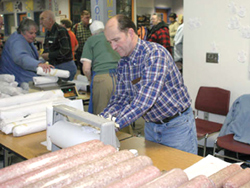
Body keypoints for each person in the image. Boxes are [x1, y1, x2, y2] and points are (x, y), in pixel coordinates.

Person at [101, 14, 197, 154]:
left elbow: (144, 101)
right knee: (157, 170)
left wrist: (114, 124)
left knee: (184, 170)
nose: (113, 47)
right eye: (109, 42)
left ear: (130, 33)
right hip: (152, 126)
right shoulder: (123, 63)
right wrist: (102, 119)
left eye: (116, 40)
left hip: (176, 126)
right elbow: (120, 98)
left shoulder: (155, 54)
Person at [80, 20, 120, 115]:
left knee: (102, 115)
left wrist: (90, 79)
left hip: (102, 79)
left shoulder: (91, 40)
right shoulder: (113, 38)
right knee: (120, 113)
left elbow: (86, 68)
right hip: (120, 77)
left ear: (92, 33)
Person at [0, 18, 53, 85]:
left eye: (35, 33)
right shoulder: (17, 41)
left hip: (21, 74)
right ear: (22, 31)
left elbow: (31, 56)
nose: (34, 36)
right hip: (16, 77)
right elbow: (21, 57)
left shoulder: (26, 39)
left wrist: (42, 62)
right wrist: (38, 64)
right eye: (31, 33)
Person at [40, 10, 77, 80]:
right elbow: (47, 47)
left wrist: (49, 55)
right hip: (54, 65)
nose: (40, 22)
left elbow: (65, 50)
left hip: (65, 66)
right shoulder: (48, 32)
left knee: (64, 89)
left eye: (42, 19)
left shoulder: (61, 30)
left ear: (50, 20)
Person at [73, 10, 92, 74]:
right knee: (83, 71)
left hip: (90, 53)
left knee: (90, 70)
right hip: (80, 53)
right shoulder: (76, 27)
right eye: (86, 17)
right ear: (82, 17)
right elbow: (73, 40)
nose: (88, 19)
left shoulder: (91, 27)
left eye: (89, 17)